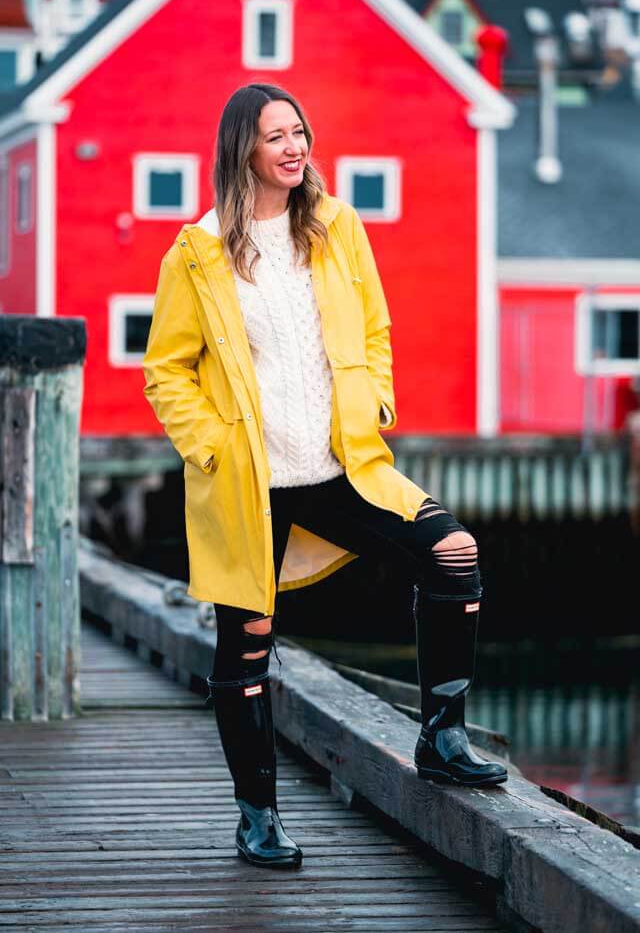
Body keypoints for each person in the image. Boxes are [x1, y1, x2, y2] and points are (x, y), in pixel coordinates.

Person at [143, 82, 507, 870]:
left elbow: (374, 324)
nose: (293, 146)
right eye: (276, 135)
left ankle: (442, 736)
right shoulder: (198, 253)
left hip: (343, 465)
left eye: (300, 131)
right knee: (245, 651)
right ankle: (258, 818)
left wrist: (375, 393)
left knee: (454, 553)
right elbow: (165, 371)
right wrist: (211, 444)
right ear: (243, 147)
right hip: (250, 482)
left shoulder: (336, 227)